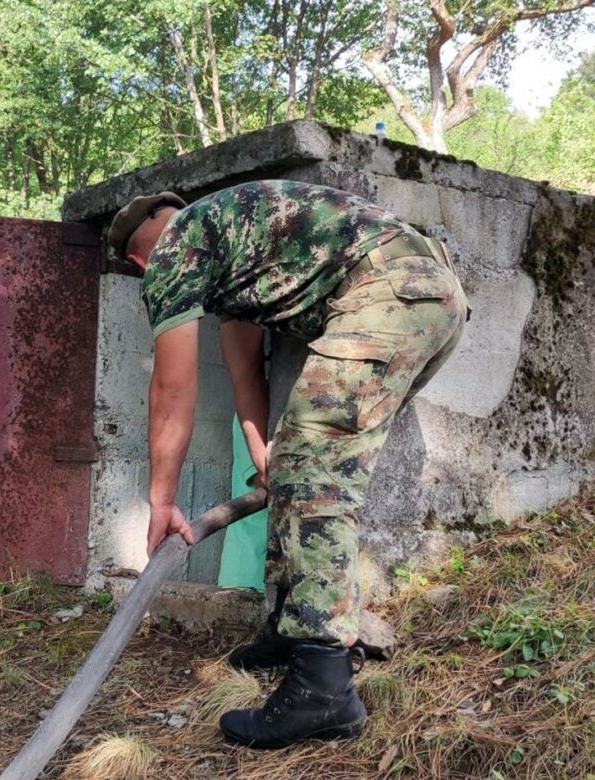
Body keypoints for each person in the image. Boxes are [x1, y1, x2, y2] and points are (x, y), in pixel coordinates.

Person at [107, 181, 468, 749]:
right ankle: (287, 630)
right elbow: (244, 372)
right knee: (296, 469)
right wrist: (263, 455)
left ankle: (324, 686)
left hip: (386, 299)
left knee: (315, 480)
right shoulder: (230, 243)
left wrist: (160, 501)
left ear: (137, 259)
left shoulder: (174, 251)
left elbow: (172, 392)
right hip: (429, 296)